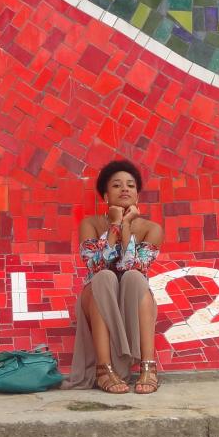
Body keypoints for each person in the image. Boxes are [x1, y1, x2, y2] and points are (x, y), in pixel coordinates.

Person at [62, 159, 165, 394]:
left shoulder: (152, 229)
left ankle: (149, 367)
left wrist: (127, 225)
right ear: (106, 196)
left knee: (134, 279)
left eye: (130, 185)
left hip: (133, 297)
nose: (125, 189)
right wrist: (115, 227)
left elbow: (134, 266)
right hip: (97, 296)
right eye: (117, 185)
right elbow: (95, 265)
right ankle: (103, 368)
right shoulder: (90, 224)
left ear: (137, 195)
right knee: (105, 278)